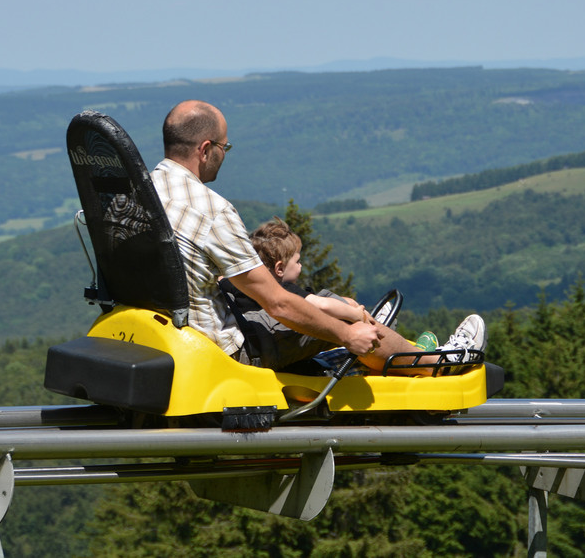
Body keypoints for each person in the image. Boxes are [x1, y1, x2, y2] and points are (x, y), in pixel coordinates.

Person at [150, 99, 485, 372]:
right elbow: (278, 303)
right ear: (206, 149)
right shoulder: (210, 209)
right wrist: (347, 333)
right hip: (224, 352)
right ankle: (439, 364)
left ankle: (376, 354)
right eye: (225, 147)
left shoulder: (138, 196)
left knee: (318, 309)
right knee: (333, 316)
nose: (225, 155)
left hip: (161, 341)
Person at [220, 218, 439, 369]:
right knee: (333, 303)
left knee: (341, 302)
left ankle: (401, 345)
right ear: (279, 269)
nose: (301, 266)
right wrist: (358, 315)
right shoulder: (280, 289)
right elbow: (321, 305)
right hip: (260, 346)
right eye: (298, 261)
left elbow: (221, 281)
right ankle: (417, 355)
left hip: (247, 336)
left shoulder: (237, 282)